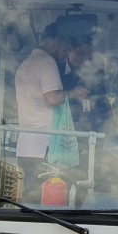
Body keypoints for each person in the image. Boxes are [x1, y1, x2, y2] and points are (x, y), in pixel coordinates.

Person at [15, 23, 84, 202]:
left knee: (31, 199)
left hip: (27, 147)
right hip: (45, 148)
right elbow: (52, 98)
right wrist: (73, 93)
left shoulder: (25, 65)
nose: (67, 53)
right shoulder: (47, 62)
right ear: (54, 42)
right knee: (51, 201)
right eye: (65, 48)